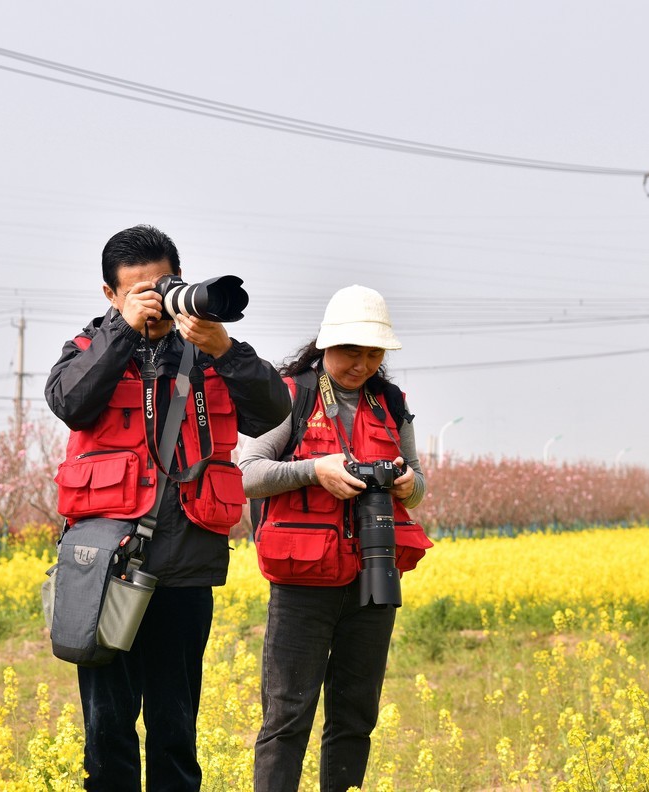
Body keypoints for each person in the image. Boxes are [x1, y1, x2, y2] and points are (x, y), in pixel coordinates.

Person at [44, 224, 291, 791]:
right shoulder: (87, 348)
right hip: (104, 566)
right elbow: (70, 403)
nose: (154, 301)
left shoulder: (207, 351)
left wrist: (223, 348)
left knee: (175, 731)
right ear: (110, 295)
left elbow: (272, 410)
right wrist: (123, 333)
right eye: (137, 292)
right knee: (107, 733)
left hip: (182, 569)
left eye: (163, 285)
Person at [240, 284, 432, 792]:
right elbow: (247, 473)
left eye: (374, 354)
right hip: (303, 584)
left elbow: (417, 484)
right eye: (352, 351)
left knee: (356, 716)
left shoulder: (391, 403)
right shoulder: (289, 396)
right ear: (326, 344)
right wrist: (313, 470)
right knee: (287, 719)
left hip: (374, 577)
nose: (362, 364)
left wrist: (409, 483)